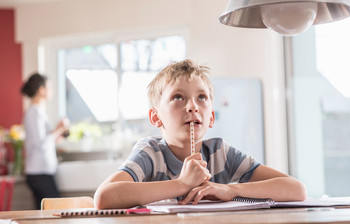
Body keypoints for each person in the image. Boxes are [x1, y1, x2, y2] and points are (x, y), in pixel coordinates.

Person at [94, 59, 307, 209]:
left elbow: (296, 189)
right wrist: (181, 184)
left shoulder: (220, 153)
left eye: (202, 97)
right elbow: (104, 197)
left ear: (211, 117)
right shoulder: (151, 153)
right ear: (156, 117)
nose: (192, 106)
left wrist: (230, 190)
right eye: (178, 97)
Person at [21, 73, 68, 209]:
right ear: (42, 90)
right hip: (39, 172)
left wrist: (58, 134)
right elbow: (40, 143)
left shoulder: (39, 111)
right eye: (50, 87)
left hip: (42, 171)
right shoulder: (34, 112)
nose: (52, 91)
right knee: (52, 212)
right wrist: (58, 129)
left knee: (45, 214)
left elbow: (45, 141)